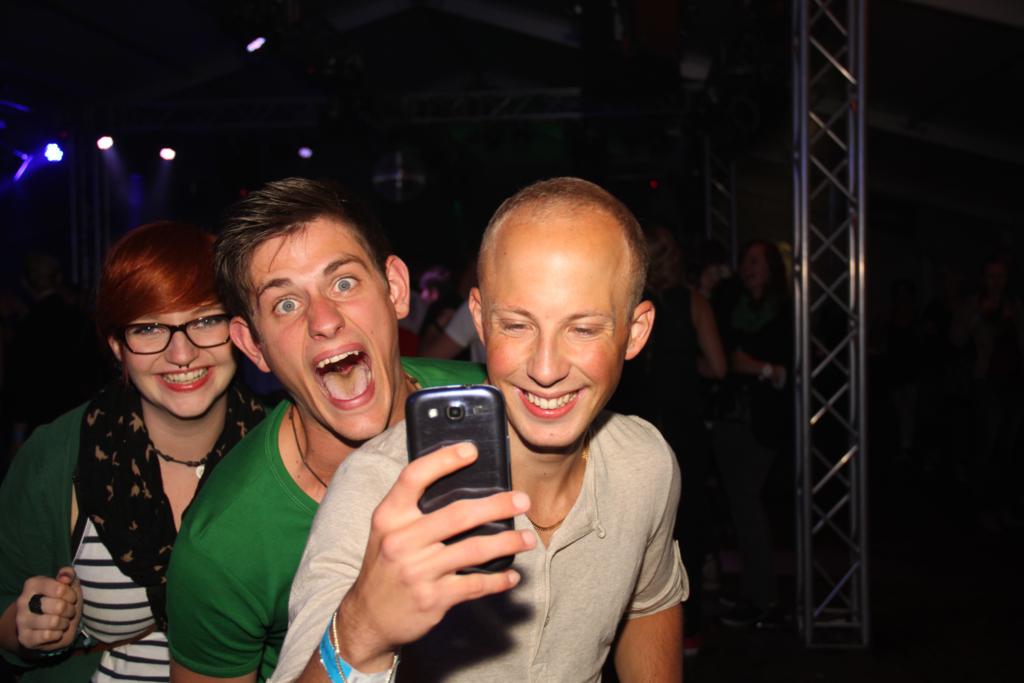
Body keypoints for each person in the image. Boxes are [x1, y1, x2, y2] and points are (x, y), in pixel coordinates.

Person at [273, 177, 688, 682]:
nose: (546, 368)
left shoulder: (644, 462)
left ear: (635, 332)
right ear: (480, 320)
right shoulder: (379, 488)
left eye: (582, 329)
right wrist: (363, 628)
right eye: (516, 325)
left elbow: (650, 602)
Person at [165, 178, 486, 683]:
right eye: (285, 304)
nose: (324, 320)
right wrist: (360, 631)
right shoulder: (224, 545)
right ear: (253, 346)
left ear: (395, 289)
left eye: (343, 283)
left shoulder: (496, 406)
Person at [0, 222, 265, 682]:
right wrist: (28, 626)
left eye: (206, 320)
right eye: (148, 328)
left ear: (239, 330)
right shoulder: (57, 456)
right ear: (117, 346)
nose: (181, 353)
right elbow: (6, 604)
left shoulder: (289, 449)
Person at [710, 240, 792, 628]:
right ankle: (753, 593)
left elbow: (789, 369)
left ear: (772, 268)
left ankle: (765, 598)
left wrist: (758, 368)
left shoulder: (785, 312)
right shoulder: (730, 304)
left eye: (756, 261)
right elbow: (722, 357)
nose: (748, 267)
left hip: (764, 422)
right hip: (730, 419)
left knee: (748, 503)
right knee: (739, 508)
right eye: (745, 260)